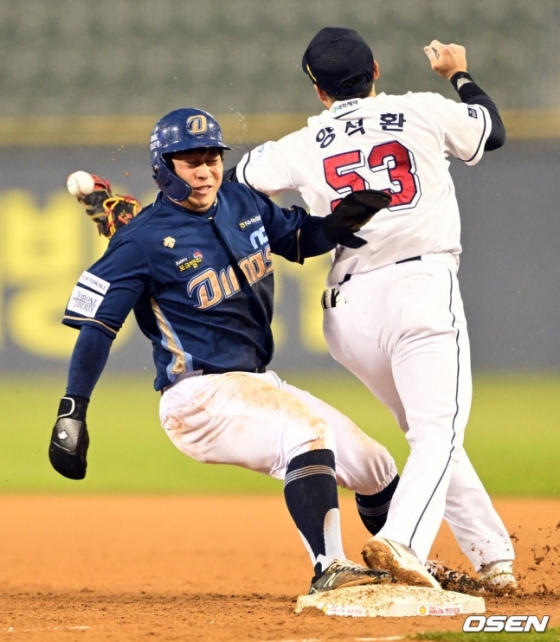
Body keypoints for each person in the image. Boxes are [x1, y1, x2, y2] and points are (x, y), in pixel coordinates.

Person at [48, 107, 403, 595]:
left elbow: (300, 237)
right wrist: (73, 409)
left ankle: (408, 565)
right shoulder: (140, 241)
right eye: (188, 159)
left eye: (212, 156)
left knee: (376, 466)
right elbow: (97, 327)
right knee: (308, 432)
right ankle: (330, 568)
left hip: (255, 383)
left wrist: (336, 226)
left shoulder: (240, 200)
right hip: (197, 397)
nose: (205, 169)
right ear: (162, 166)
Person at [231, 29, 516, 590]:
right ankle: (402, 540)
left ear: (318, 91)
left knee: (427, 429)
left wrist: (287, 233)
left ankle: (493, 558)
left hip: (348, 311)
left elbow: (235, 185)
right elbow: (492, 130)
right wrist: (458, 74)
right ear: (377, 69)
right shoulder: (422, 111)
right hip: (419, 287)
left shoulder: (300, 145)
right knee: (437, 432)